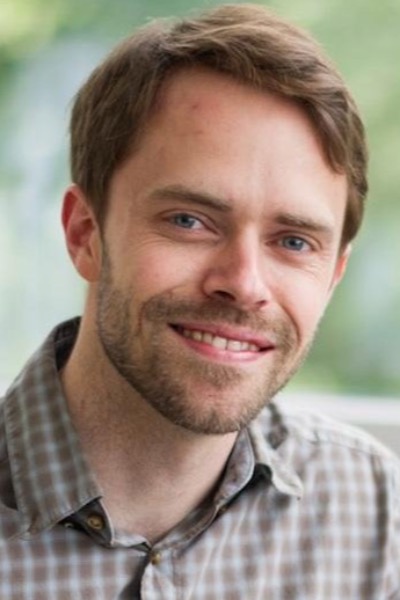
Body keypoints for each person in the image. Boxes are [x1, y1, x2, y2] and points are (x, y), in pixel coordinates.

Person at [1, 3, 399, 598]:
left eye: (293, 241)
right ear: (86, 234)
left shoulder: (378, 515)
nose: (244, 283)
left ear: (334, 273)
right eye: (189, 220)